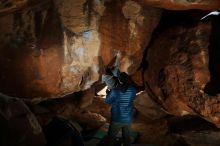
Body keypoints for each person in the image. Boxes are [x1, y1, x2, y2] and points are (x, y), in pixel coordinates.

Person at [104, 73, 136, 146]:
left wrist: (108, 93)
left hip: (117, 119)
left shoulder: (115, 90)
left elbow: (107, 101)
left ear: (119, 80)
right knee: (127, 139)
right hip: (128, 118)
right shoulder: (132, 89)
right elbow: (132, 98)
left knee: (111, 139)